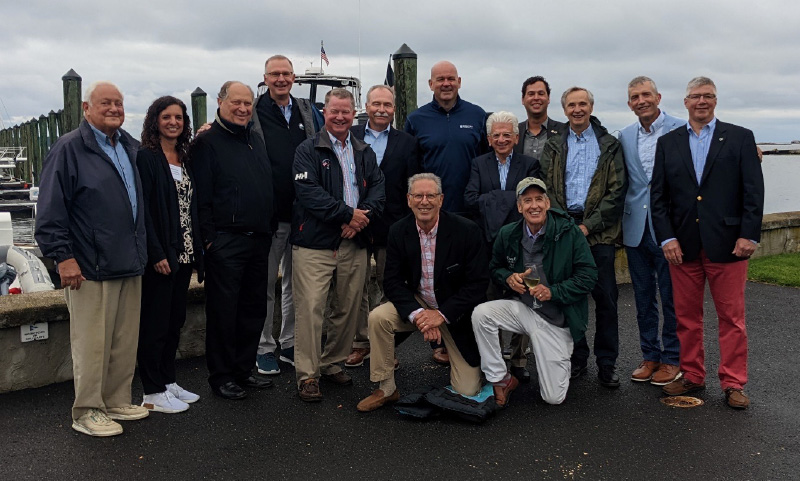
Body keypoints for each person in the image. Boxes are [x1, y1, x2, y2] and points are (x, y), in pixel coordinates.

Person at [36, 81, 149, 436]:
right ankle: (87, 410)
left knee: (123, 341)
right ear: (87, 108)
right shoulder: (69, 148)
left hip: (128, 260)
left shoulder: (130, 146)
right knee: (92, 343)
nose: (114, 108)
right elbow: (51, 207)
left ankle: (115, 399)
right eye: (105, 103)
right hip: (88, 265)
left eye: (119, 103)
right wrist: (62, 258)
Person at [651, 76, 764, 409]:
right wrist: (667, 237)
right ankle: (692, 375)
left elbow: (753, 192)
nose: (702, 101)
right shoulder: (668, 142)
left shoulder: (740, 138)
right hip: (682, 246)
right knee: (686, 318)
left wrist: (749, 234)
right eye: (695, 96)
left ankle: (733, 383)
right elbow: (658, 197)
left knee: (732, 319)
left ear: (715, 100)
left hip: (729, 244)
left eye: (708, 96)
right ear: (684, 102)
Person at [357, 173, 488, 412]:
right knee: (378, 317)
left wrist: (441, 315)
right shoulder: (399, 230)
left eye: (430, 196)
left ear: (441, 199)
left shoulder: (466, 230)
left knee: (467, 391)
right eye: (418, 195)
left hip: (455, 311)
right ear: (409, 200)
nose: (424, 201)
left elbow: (478, 284)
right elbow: (393, 282)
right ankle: (386, 388)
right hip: (419, 302)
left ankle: (471, 363)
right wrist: (419, 315)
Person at [291, 88, 385, 402]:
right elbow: (309, 194)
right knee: (312, 308)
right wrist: (347, 215)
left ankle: (332, 362)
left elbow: (378, 192)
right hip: (315, 244)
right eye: (335, 111)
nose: (341, 117)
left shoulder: (364, 151)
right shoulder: (307, 149)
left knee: (346, 308)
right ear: (325, 112)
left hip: (354, 243)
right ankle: (308, 375)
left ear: (354, 111)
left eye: (346, 111)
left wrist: (361, 218)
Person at [471, 178, 597, 406]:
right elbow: (495, 267)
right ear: (519, 207)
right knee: (481, 314)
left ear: (548, 203)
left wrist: (553, 292)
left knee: (553, 398)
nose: (534, 205)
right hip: (525, 310)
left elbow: (588, 276)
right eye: (527, 200)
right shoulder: (508, 233)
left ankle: (556, 356)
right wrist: (508, 278)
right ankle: (501, 378)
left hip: (556, 320)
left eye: (539, 199)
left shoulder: (569, 232)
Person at [191, 81, 275, 400]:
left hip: (258, 240)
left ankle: (243, 369)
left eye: (247, 103)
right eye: (235, 102)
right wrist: (211, 241)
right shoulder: (207, 142)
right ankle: (222, 375)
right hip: (226, 242)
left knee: (253, 310)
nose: (242, 109)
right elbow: (202, 197)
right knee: (224, 313)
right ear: (220, 102)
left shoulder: (254, 140)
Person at [539, 87, 627, 388]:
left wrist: (588, 226)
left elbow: (616, 192)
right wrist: (565, 224)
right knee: (568, 297)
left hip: (599, 231)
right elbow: (546, 186)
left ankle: (607, 363)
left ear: (591, 107)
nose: (578, 109)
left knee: (605, 299)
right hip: (564, 229)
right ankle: (576, 358)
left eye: (583, 104)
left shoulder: (609, 144)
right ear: (564, 110)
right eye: (572, 105)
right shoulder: (554, 144)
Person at [405, 60, 487, 363]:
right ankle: (438, 344)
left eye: (451, 78)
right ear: (430, 84)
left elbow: (484, 161)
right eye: (440, 79)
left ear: (460, 81)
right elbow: (411, 167)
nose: (446, 83)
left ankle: (467, 343)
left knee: (465, 280)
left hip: (468, 214)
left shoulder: (477, 116)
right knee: (434, 278)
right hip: (430, 214)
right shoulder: (416, 119)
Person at [251, 55, 322, 376]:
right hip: (268, 215)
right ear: (265, 78)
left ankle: (290, 342)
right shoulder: (252, 110)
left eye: (286, 73)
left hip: (303, 214)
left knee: (298, 284)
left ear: (294, 78)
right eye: (274, 74)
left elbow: (324, 147)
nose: (281, 79)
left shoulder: (307, 111)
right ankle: (263, 347)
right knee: (264, 284)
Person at [136, 96, 204, 413]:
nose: (173, 122)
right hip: (161, 254)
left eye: (178, 117)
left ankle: (168, 380)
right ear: (155, 120)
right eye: (167, 117)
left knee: (175, 320)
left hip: (185, 251)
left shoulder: (185, 156)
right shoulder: (147, 158)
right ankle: (151, 391)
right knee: (155, 323)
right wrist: (156, 252)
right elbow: (144, 211)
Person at [345, 85, 421, 368]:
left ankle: (386, 346)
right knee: (357, 287)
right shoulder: (349, 136)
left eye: (387, 105)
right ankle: (361, 342)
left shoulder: (408, 143)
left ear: (394, 109)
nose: (381, 109)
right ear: (366, 105)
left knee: (391, 287)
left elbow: (412, 184)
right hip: (356, 224)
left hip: (394, 226)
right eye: (376, 103)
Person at [619, 76, 684, 385]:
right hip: (635, 227)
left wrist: (748, 149)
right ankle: (650, 356)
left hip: (670, 228)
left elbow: (713, 147)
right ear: (630, 103)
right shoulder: (625, 136)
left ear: (658, 97)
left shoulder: (682, 129)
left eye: (646, 94)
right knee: (643, 298)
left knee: (672, 298)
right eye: (635, 96)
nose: (641, 100)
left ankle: (673, 358)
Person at [464, 111, 542, 245]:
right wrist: (512, 198)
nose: (501, 140)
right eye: (496, 135)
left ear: (516, 138)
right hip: (486, 238)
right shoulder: (479, 164)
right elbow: (470, 200)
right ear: (489, 139)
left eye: (507, 135)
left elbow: (531, 201)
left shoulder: (529, 165)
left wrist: (492, 198)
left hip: (521, 237)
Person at [514, 76, 566, 160]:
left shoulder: (564, 131)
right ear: (523, 100)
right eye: (531, 94)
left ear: (548, 98)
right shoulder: (514, 133)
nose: (536, 98)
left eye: (541, 93)